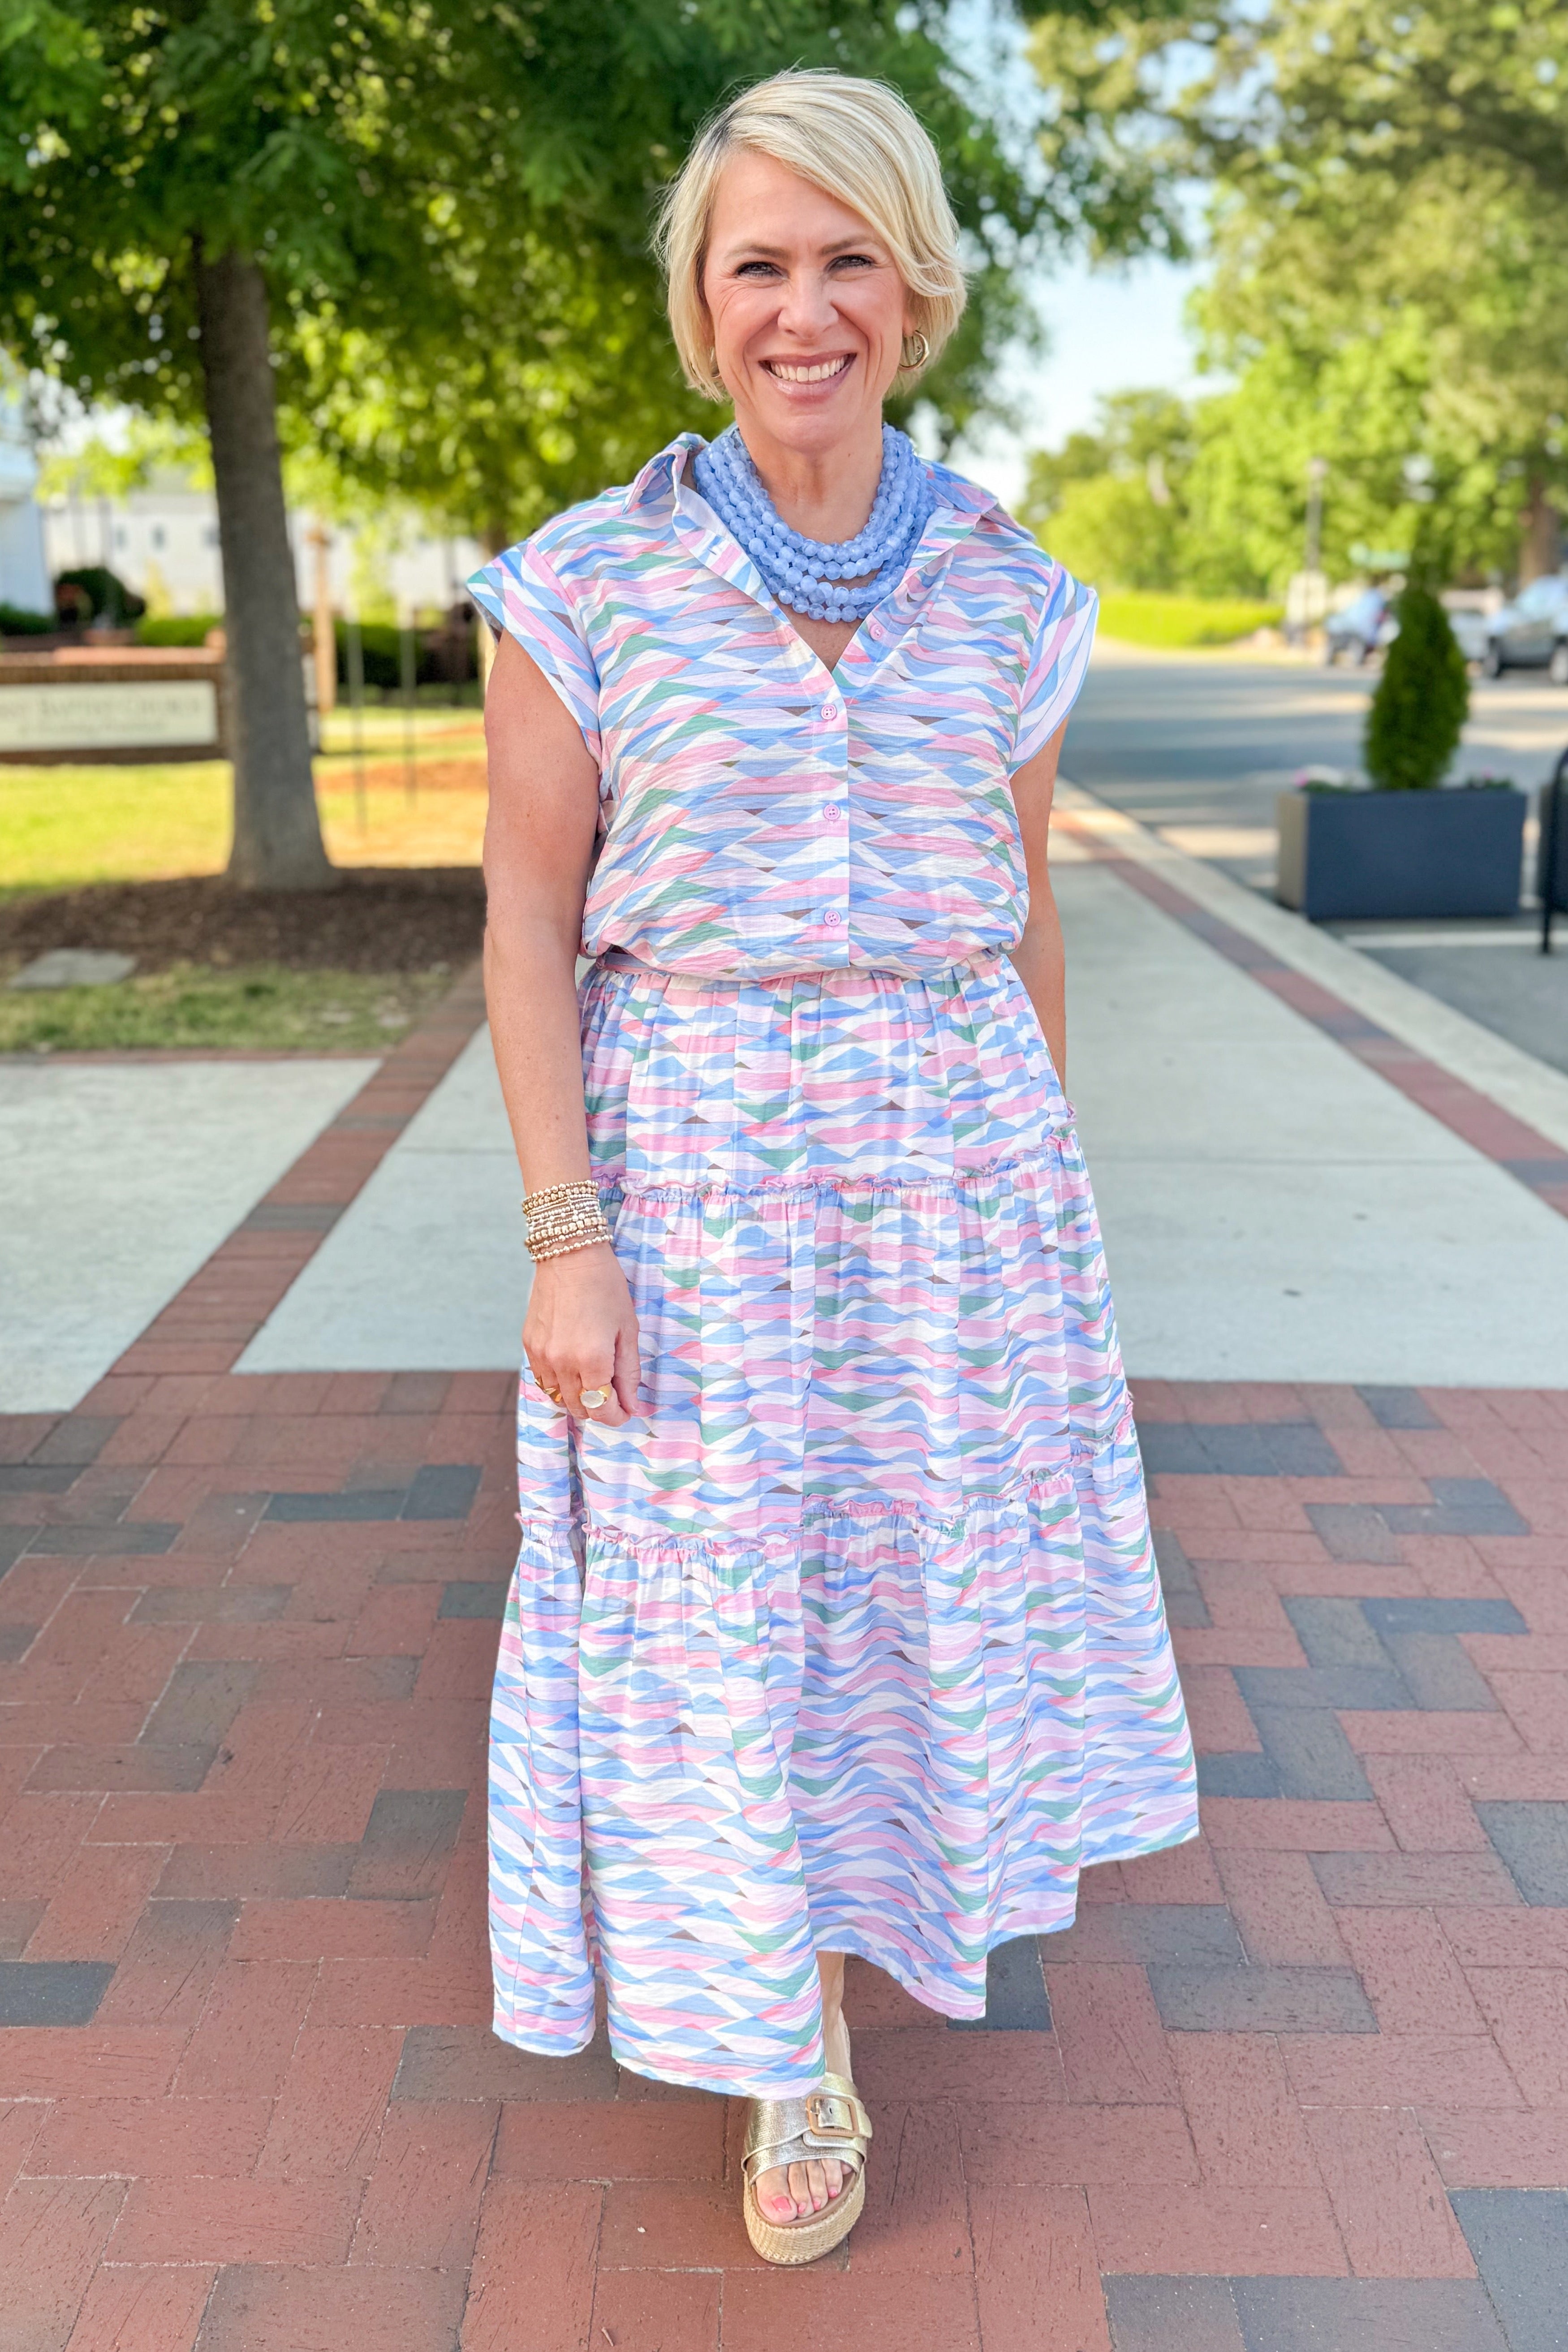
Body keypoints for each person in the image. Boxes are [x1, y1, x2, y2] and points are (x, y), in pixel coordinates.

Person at [472, 68, 1198, 2268]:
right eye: (758, 265)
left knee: (907, 1598)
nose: (804, 308)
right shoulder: (583, 582)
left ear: (915, 289)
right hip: (689, 1176)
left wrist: (1040, 1207)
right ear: (701, 305)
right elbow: (522, 918)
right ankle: (783, 2039)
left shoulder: (1005, 589)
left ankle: (873, 1937)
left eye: (846, 258)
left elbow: (1022, 906)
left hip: (952, 1175)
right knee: (714, 1615)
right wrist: (566, 1237)